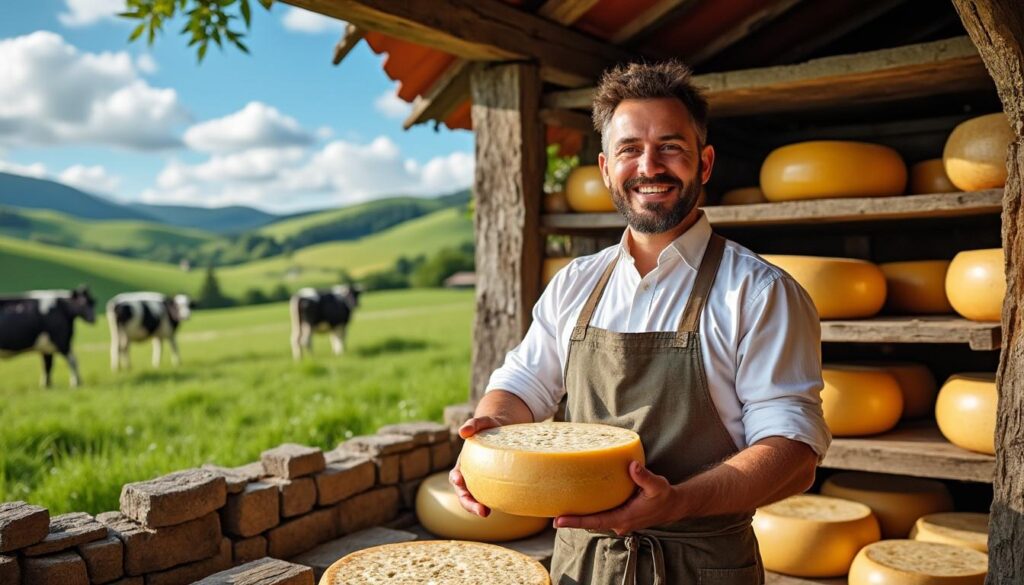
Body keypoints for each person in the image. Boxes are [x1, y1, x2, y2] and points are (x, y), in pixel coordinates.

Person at [450, 60, 830, 584]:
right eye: (630, 149)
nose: (649, 166)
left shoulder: (761, 292)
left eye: (671, 146)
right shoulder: (574, 284)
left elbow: (791, 453)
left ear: (705, 163)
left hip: (702, 567)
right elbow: (522, 386)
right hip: (580, 567)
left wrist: (674, 503)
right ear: (606, 168)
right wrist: (489, 436)